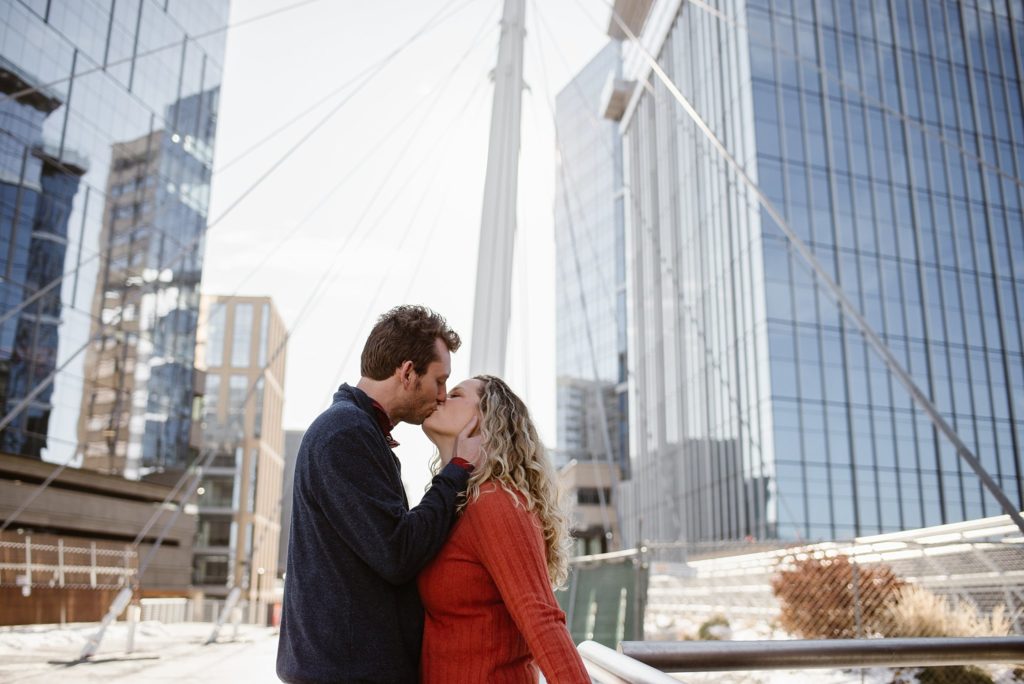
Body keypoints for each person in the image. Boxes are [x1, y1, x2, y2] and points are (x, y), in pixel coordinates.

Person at [277, 305, 481, 683]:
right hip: (345, 675)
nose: (441, 396)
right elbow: (397, 552)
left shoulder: (356, 430)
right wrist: (457, 471)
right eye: (439, 381)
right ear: (407, 372)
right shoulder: (345, 434)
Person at [418, 375, 590, 683]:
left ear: (486, 420)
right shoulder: (451, 506)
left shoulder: (495, 502)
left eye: (456, 394)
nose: (441, 396)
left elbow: (541, 617)